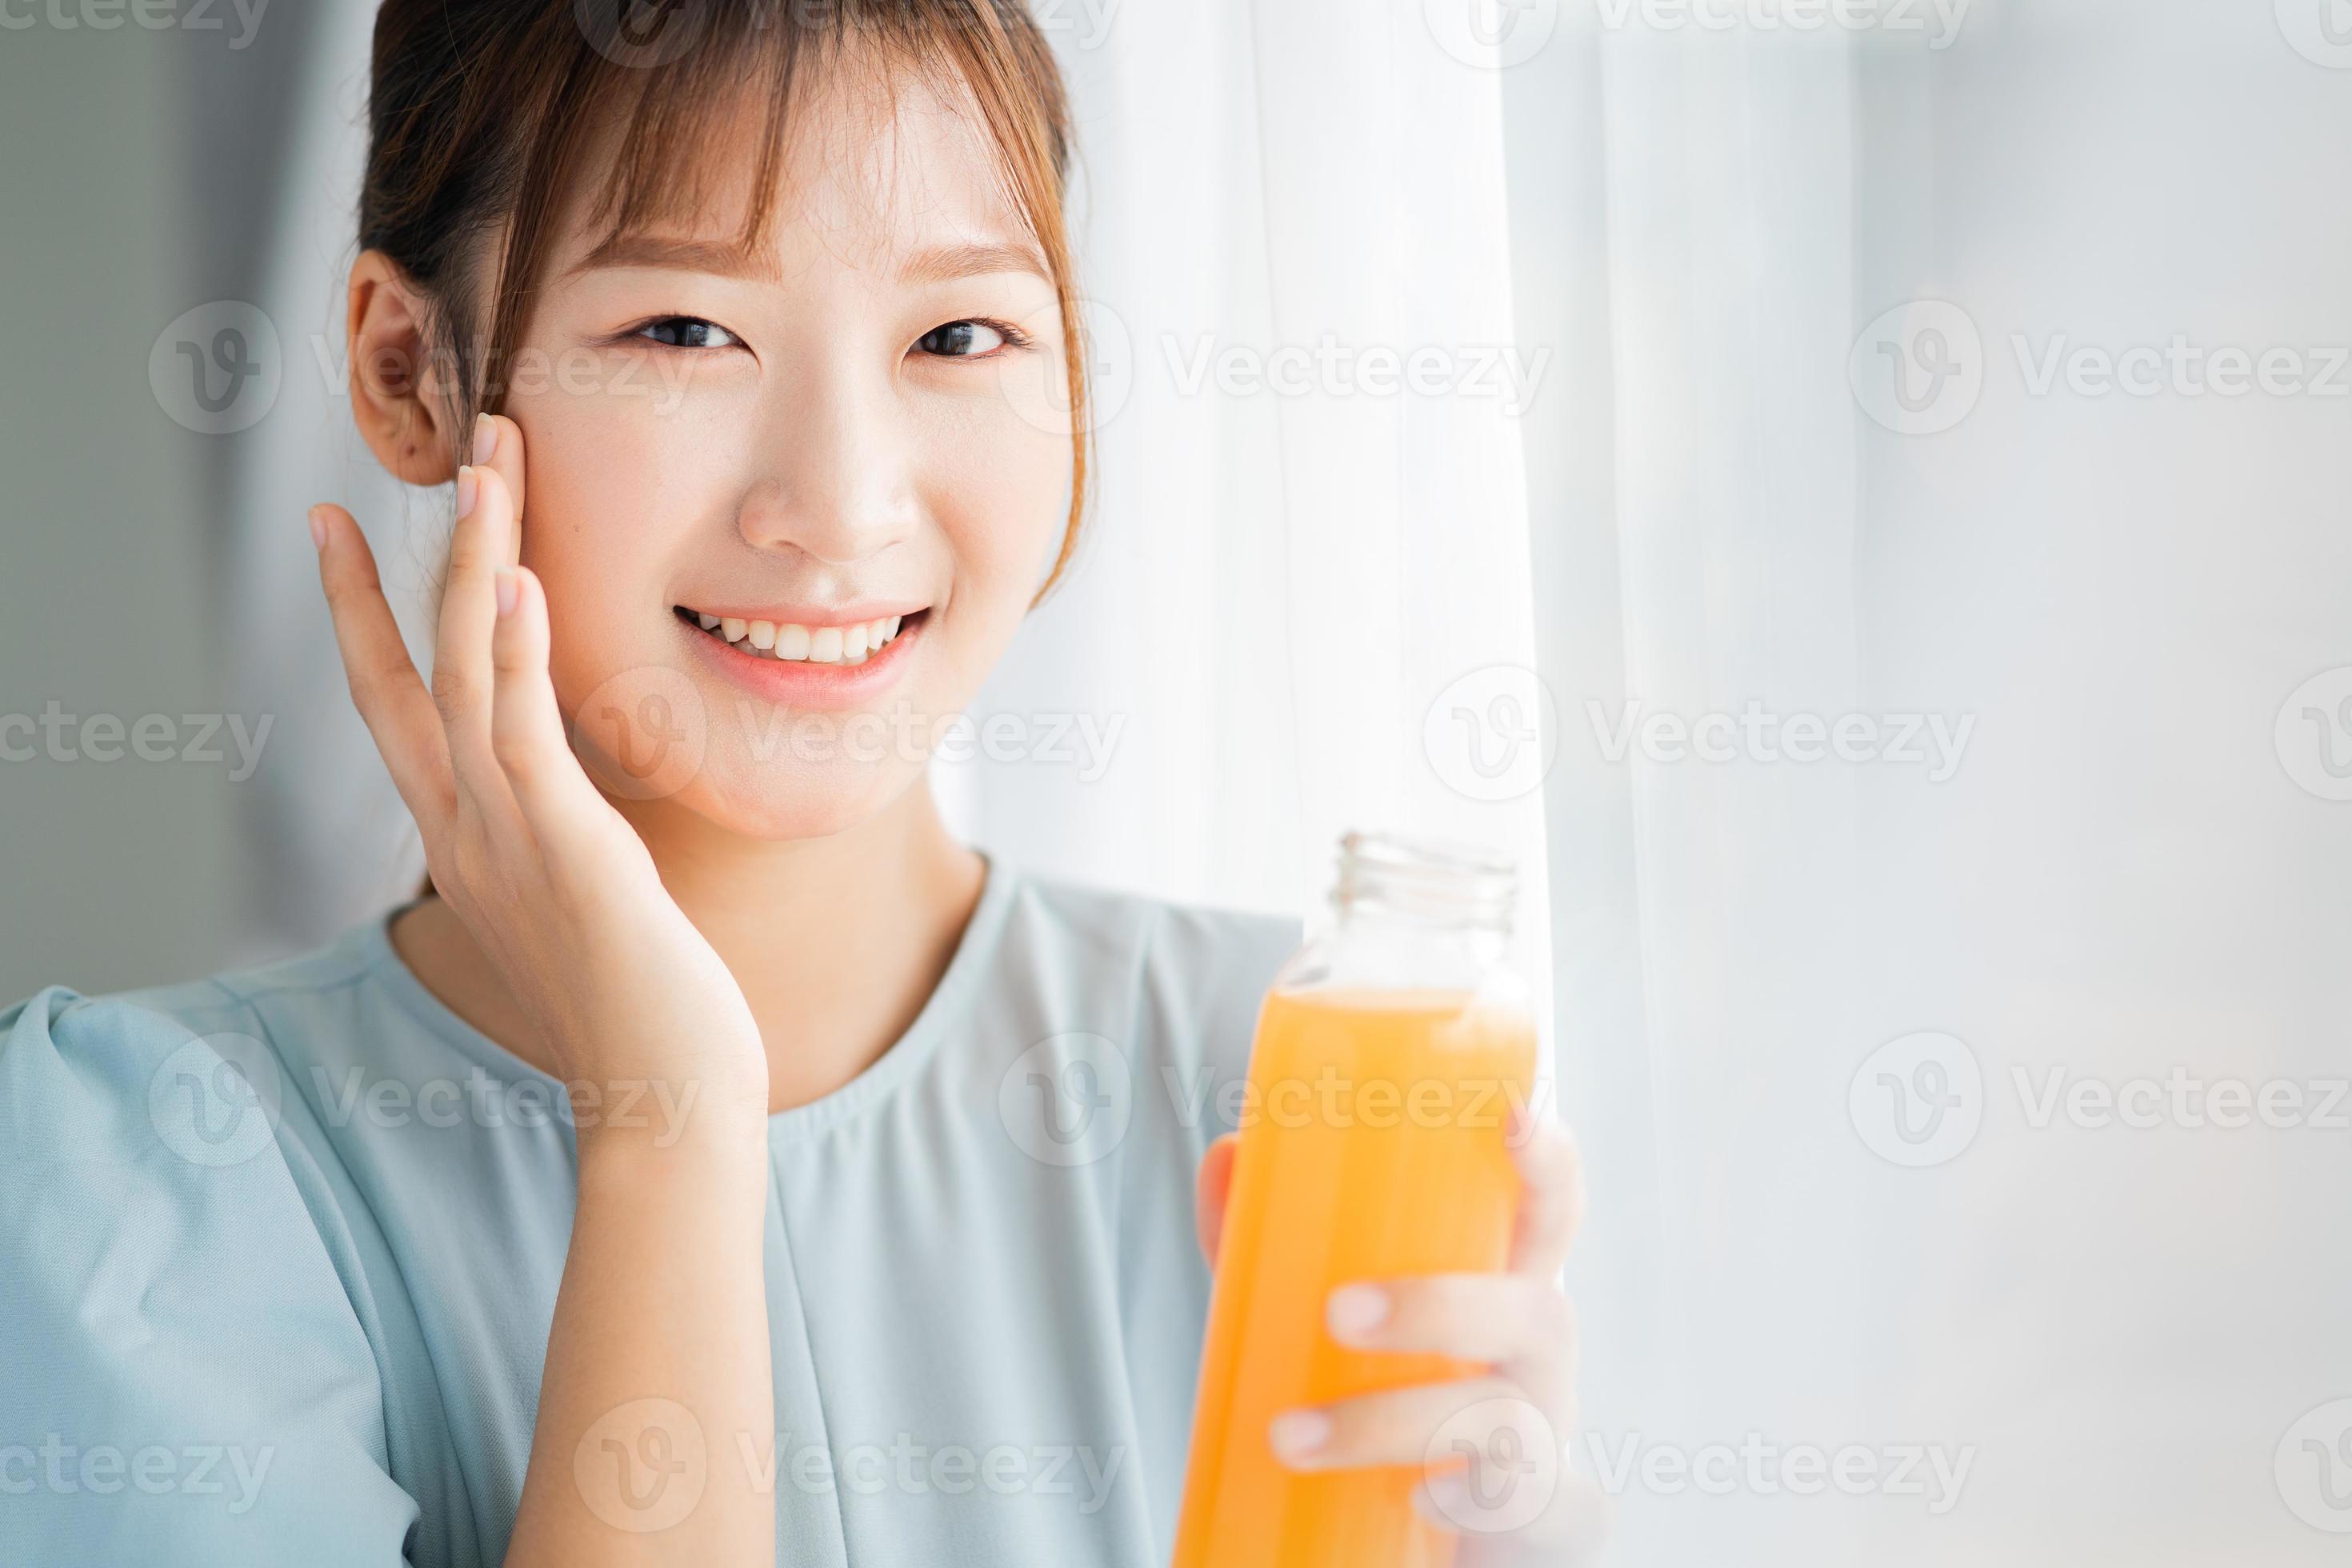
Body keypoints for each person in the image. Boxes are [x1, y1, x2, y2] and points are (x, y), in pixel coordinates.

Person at [0, 3, 1591, 1562]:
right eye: (684, 330)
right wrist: (669, 1121)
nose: (839, 506)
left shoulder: (1280, 1078)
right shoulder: (146, 1179)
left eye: (960, 335)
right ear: (411, 370)